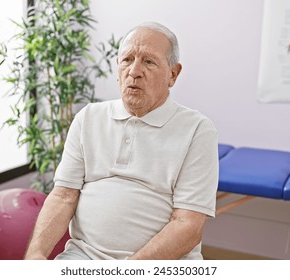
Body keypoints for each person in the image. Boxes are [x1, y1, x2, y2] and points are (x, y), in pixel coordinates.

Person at [24, 22, 219, 260]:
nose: (134, 71)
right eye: (127, 60)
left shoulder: (197, 129)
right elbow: (63, 195)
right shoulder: (88, 117)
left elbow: (187, 225)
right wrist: (34, 256)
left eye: (148, 61)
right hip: (83, 257)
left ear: (173, 74)